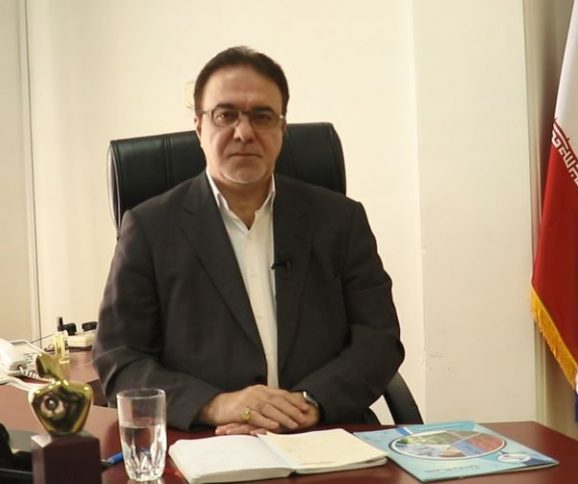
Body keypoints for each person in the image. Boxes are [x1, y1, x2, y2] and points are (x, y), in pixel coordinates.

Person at [93, 46, 403, 433]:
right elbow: (120, 360)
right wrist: (215, 405)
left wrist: (310, 404)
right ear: (199, 127)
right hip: (208, 440)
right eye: (225, 115)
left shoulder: (340, 220)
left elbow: (379, 340)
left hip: (324, 433)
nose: (244, 132)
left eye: (262, 116)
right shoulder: (149, 228)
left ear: (282, 129)